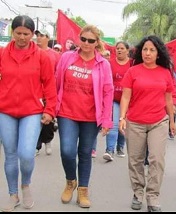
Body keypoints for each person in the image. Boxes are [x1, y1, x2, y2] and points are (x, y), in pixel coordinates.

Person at [0, 15, 57, 212]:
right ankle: (12, 194)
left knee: (26, 154)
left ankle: (26, 184)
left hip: (32, 111)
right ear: (12, 32)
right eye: (18, 33)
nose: (22, 37)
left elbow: (50, 84)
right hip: (5, 110)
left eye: (26, 34)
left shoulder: (42, 56)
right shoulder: (2, 54)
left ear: (33, 34)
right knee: (10, 154)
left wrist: (50, 110)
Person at [55, 24, 113, 208]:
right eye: (84, 39)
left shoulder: (103, 64)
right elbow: (57, 81)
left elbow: (107, 92)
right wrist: (51, 107)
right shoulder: (67, 57)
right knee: (67, 151)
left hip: (90, 116)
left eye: (91, 40)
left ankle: (83, 190)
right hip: (67, 113)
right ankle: (70, 181)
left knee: (85, 153)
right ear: (79, 39)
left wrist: (106, 119)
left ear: (97, 43)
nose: (86, 43)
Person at [119, 35, 176, 212]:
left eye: (152, 50)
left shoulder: (165, 73)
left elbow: (168, 99)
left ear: (158, 53)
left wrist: (172, 122)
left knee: (156, 160)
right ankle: (138, 192)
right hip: (135, 122)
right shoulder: (133, 72)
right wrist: (122, 117)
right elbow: (126, 96)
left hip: (158, 122)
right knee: (135, 160)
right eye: (145, 49)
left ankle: (153, 196)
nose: (148, 53)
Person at [102, 41, 131, 161]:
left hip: (128, 99)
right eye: (117, 48)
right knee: (113, 124)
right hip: (113, 99)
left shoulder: (132, 64)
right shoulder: (110, 63)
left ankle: (120, 147)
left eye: (122, 48)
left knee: (123, 125)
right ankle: (109, 150)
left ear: (127, 50)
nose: (119, 50)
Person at [35, 28, 61, 156]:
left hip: (49, 92)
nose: (39, 37)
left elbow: (59, 74)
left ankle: (48, 140)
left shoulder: (55, 55)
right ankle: (37, 145)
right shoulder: (32, 52)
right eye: (38, 35)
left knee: (48, 120)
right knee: (35, 119)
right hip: (35, 92)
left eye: (42, 35)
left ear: (48, 38)